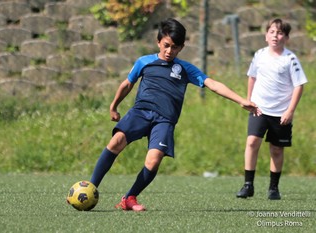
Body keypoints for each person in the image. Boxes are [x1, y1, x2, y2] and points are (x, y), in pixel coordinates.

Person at [90, 18, 259, 211]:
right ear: (158, 42)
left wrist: (240, 100)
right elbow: (127, 84)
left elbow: (213, 84)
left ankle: (129, 198)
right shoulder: (144, 62)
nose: (169, 51)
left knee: (153, 160)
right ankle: (90, 187)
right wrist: (114, 106)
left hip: (164, 120)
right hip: (140, 112)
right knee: (116, 141)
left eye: (175, 47)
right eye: (166, 46)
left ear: (181, 48)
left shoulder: (185, 69)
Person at [236, 18, 308, 200]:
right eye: (272, 32)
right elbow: (252, 77)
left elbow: (299, 86)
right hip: (259, 109)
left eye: (280, 33)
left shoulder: (290, 59)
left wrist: (290, 111)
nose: (276, 36)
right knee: (252, 142)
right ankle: (248, 185)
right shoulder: (259, 54)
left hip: (280, 113)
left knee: (276, 149)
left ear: (287, 37)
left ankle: (273, 188)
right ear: (266, 35)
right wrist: (249, 100)